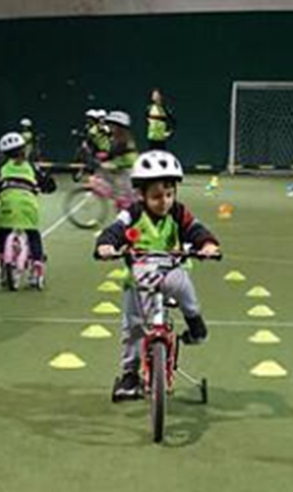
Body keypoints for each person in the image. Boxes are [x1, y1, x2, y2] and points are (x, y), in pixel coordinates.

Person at [95, 150, 220, 401]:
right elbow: (114, 231)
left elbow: (196, 230)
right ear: (141, 195)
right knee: (132, 326)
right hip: (140, 276)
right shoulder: (132, 214)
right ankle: (130, 374)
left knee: (185, 289)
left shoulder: (178, 213)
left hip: (171, 270)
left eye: (169, 195)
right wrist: (106, 246)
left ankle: (195, 324)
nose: (164, 201)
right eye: (156, 197)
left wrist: (207, 245)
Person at [0, 132, 56, 287]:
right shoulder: (31, 166)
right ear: (24, 150)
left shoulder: (1, 167)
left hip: (8, 204)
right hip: (28, 204)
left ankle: (4, 260)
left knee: (3, 231)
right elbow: (47, 183)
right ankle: (37, 265)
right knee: (32, 233)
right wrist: (47, 186)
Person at [98, 111, 137, 210]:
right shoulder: (118, 136)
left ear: (119, 126)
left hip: (128, 166)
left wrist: (106, 158)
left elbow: (116, 152)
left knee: (130, 195)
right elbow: (113, 153)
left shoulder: (123, 137)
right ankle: (120, 199)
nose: (110, 126)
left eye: (112, 124)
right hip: (123, 164)